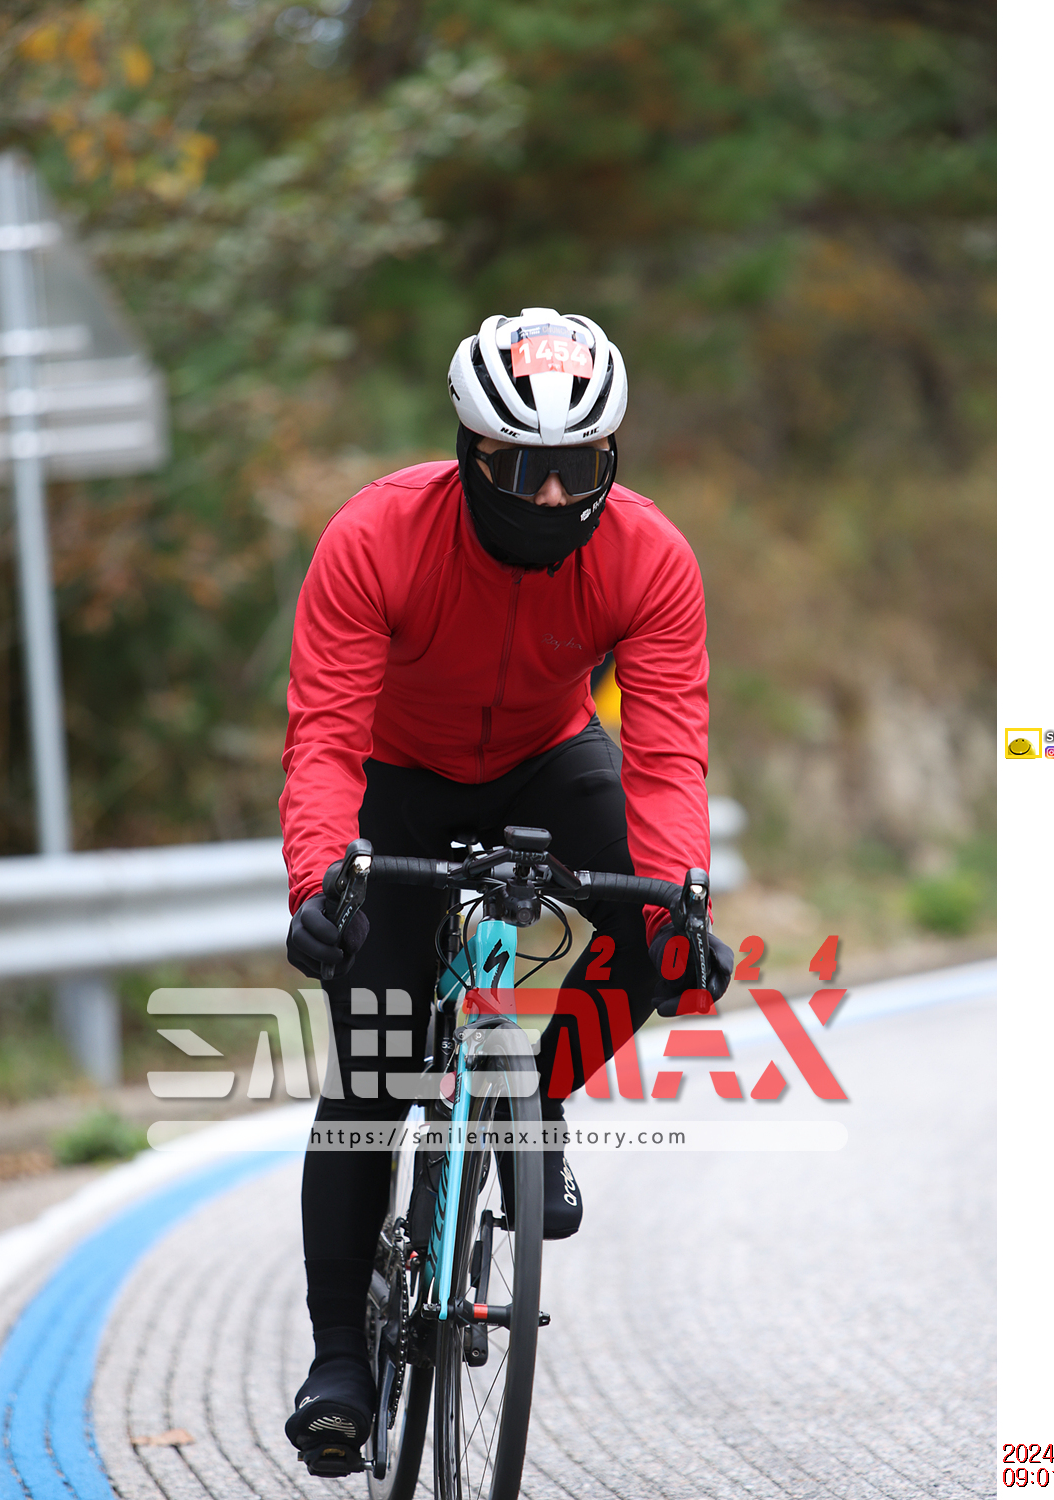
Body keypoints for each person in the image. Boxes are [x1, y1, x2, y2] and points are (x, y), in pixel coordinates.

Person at [277, 307, 735, 1470]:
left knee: (653, 940)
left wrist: (683, 906)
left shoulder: (649, 556)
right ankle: (341, 1359)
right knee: (376, 1066)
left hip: (547, 761)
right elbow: (325, 740)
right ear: (471, 454)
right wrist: (321, 882)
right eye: (524, 470)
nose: (552, 494)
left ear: (611, 456)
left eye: (579, 466)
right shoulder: (376, 535)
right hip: (397, 781)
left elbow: (668, 759)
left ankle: (535, 1092)